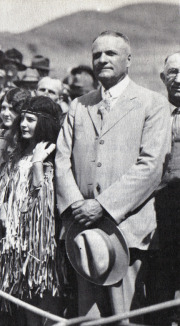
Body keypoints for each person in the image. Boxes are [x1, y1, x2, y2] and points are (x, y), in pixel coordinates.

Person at [55, 31, 171, 322]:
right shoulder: (79, 106)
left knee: (126, 318)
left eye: (111, 54)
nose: (103, 59)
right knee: (89, 318)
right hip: (83, 234)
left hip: (128, 232)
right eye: (97, 55)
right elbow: (61, 160)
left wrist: (103, 206)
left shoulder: (151, 104)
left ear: (128, 60)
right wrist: (76, 206)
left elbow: (151, 166)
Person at [0, 96, 62, 325]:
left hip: (38, 248)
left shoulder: (52, 156)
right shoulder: (16, 155)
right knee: (23, 307)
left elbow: (44, 202)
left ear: (44, 123)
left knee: (43, 303)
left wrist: (38, 164)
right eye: (22, 118)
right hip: (13, 245)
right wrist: (2, 207)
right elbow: (5, 192)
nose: (23, 124)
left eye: (30, 120)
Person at [149, 51, 180, 324]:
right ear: (163, 77)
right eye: (173, 73)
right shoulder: (153, 114)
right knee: (159, 288)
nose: (179, 79)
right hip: (158, 213)